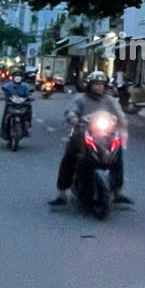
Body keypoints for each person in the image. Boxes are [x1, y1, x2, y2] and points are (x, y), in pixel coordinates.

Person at [48, 70, 131, 207]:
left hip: (106, 136)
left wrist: (122, 122)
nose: (99, 87)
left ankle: (117, 191)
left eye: (101, 84)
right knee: (69, 157)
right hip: (83, 134)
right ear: (90, 85)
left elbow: (119, 114)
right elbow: (72, 111)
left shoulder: (110, 100)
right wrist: (73, 118)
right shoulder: (81, 99)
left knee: (117, 157)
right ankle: (62, 193)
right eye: (96, 84)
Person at [1, 71, 33, 137]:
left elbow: (29, 91)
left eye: (19, 76)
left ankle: (28, 123)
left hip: (22, 103)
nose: (17, 78)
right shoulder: (9, 85)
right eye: (16, 76)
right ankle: (3, 130)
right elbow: (4, 89)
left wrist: (28, 97)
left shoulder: (25, 85)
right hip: (11, 102)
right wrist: (5, 97)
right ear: (13, 77)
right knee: (6, 115)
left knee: (29, 107)